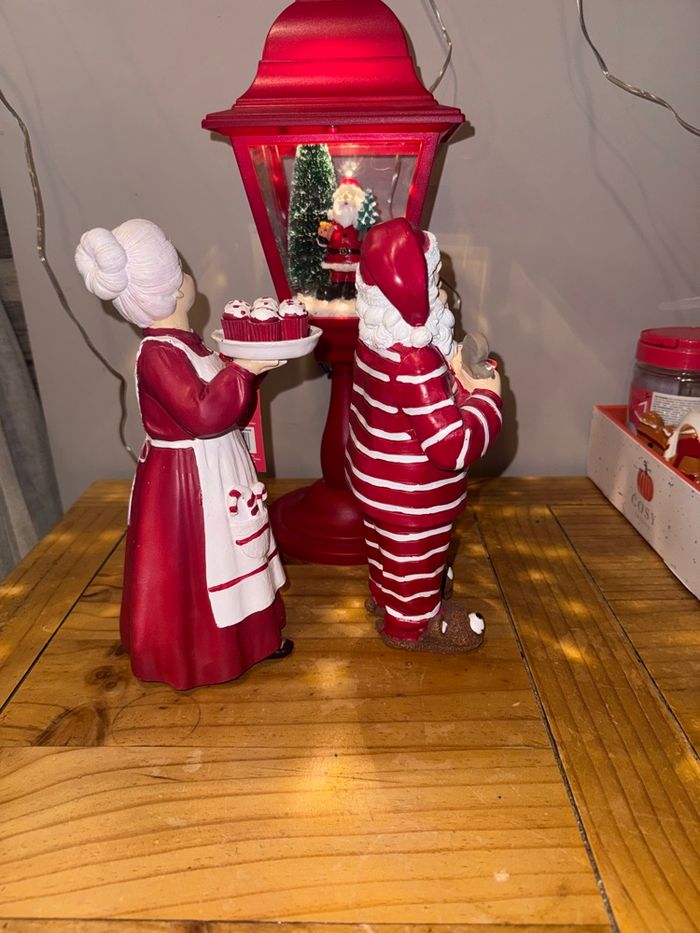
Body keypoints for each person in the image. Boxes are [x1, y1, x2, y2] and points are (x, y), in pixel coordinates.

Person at [75, 219, 291, 690]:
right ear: (173, 288)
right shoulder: (158, 355)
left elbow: (226, 403)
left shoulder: (189, 345)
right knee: (204, 561)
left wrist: (249, 370)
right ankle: (200, 655)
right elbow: (204, 412)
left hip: (219, 463)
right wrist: (243, 370)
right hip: (188, 481)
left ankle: (253, 637)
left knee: (240, 547)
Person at [346, 218, 503, 653]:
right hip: (413, 493)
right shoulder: (414, 361)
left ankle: (389, 597)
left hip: (375, 480)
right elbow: (452, 446)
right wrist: (488, 398)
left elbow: (400, 408)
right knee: (413, 552)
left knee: (387, 551)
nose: (443, 295)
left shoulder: (374, 341)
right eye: (435, 284)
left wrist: (453, 375)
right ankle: (413, 623)